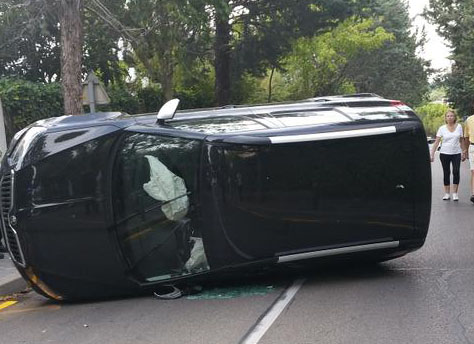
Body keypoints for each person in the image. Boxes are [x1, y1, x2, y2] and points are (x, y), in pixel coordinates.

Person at [430, 110, 466, 201]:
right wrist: (432, 154)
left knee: (456, 171)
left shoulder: (459, 127)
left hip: (456, 153)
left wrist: (464, 151)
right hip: (444, 153)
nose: (450, 117)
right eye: (448, 116)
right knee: (446, 172)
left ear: (454, 117)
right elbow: (436, 142)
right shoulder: (442, 128)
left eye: (452, 116)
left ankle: (455, 193)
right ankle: (446, 193)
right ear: (445, 118)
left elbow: (462, 140)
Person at [463, 110, 474, 203]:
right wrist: (465, 150)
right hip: (472, 147)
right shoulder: (469, 120)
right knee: (473, 171)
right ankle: (473, 194)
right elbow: (466, 137)